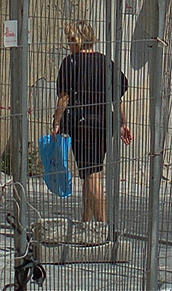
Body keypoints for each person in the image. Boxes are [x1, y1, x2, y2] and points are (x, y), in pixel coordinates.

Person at [51, 20, 132, 224]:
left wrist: (56, 121)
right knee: (90, 172)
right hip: (104, 123)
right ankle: (86, 222)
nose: (68, 45)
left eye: (70, 40)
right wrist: (123, 123)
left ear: (77, 41)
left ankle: (104, 226)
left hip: (82, 124)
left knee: (93, 174)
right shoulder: (106, 62)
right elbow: (117, 97)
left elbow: (64, 97)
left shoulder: (70, 63)